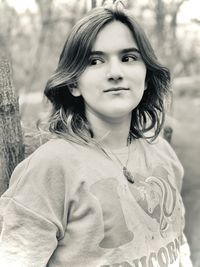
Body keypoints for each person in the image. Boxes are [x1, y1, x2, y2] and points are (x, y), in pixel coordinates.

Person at [0, 4, 193, 267]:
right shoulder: (51, 168)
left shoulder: (162, 153)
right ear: (73, 84)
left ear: (146, 77)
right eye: (95, 61)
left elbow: (177, 245)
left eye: (128, 58)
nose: (115, 73)